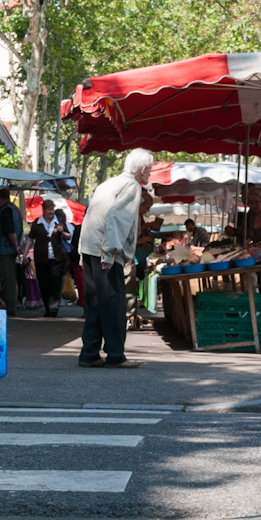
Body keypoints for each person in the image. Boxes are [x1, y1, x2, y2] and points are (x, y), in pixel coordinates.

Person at [77, 149, 154, 369]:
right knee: (113, 303)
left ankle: (89, 352)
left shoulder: (107, 183)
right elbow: (117, 219)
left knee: (95, 303)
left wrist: (83, 253)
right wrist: (110, 252)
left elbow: (90, 215)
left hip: (90, 247)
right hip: (104, 251)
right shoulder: (131, 186)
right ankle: (115, 354)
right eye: (148, 169)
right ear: (142, 169)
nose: (149, 173)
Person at [0, 189, 23, 313]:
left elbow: (9, 231)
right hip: (9, 249)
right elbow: (19, 230)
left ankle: (8, 306)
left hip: (4, 249)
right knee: (10, 279)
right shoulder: (15, 209)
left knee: (6, 279)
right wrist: (18, 245)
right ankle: (8, 304)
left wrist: (15, 246)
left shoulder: (5, 211)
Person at [30, 204, 63, 317]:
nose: (51, 212)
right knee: (43, 283)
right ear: (43, 210)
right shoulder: (37, 223)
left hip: (56, 257)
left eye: (53, 209)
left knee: (55, 282)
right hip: (41, 258)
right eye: (49, 209)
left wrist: (62, 231)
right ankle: (47, 308)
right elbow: (30, 238)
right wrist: (25, 254)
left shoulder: (58, 221)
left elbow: (68, 236)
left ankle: (54, 308)